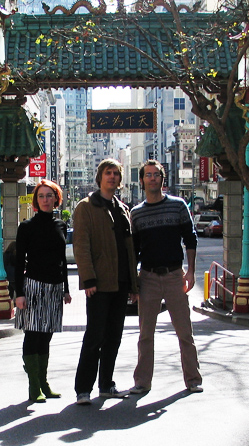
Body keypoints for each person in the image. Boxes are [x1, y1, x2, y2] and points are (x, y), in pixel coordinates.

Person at [131, 159, 202, 394]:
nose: (152, 178)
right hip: (148, 277)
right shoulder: (137, 214)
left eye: (156, 174)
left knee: (184, 332)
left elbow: (190, 238)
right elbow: (134, 250)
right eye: (148, 175)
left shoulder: (178, 205)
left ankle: (193, 380)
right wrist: (134, 282)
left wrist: (190, 271)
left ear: (162, 178)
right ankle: (142, 381)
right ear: (141, 180)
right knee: (145, 334)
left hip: (174, 275)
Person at [73, 158, 138, 405]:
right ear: (99, 177)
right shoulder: (85, 207)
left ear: (120, 180)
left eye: (116, 174)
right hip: (98, 284)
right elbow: (81, 245)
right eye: (108, 173)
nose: (112, 177)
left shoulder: (122, 208)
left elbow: (130, 250)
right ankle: (83, 389)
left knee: (114, 337)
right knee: (94, 337)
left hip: (121, 283)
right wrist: (88, 278)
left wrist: (134, 285)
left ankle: (106, 385)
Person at [15, 180, 71, 402]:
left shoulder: (61, 225)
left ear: (56, 198)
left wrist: (66, 288)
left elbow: (62, 261)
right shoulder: (27, 226)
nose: (46, 200)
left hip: (55, 287)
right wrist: (19, 293)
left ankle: (44, 382)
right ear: (35, 200)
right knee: (33, 334)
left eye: (50, 195)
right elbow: (19, 262)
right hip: (34, 286)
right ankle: (34, 385)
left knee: (47, 335)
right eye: (41, 196)